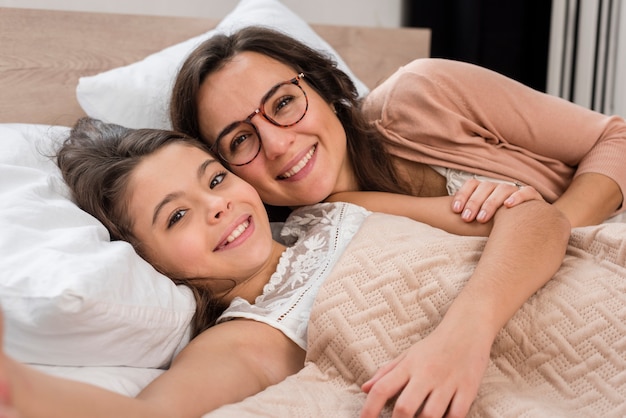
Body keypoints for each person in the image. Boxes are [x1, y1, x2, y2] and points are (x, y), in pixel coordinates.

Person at [0, 117, 570, 418]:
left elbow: (531, 217)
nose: (217, 204)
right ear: (149, 262)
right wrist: (20, 389)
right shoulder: (247, 337)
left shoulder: (339, 211)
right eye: (177, 216)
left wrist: (464, 333)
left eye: (216, 179)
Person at [170, 26, 626, 228]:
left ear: (326, 89)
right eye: (240, 139)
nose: (276, 144)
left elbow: (616, 137)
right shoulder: (299, 239)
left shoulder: (424, 92)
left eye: (284, 102)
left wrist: (557, 226)